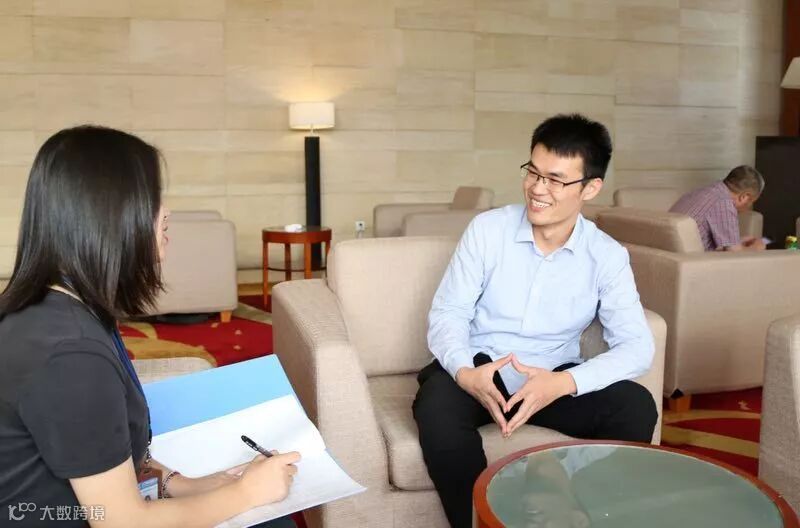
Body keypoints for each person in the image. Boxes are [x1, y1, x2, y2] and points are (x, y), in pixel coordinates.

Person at [0, 126, 300, 527]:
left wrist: (187, 485)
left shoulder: (60, 308)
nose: (166, 212)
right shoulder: (70, 354)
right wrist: (246, 492)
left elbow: (98, 451)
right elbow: (122, 522)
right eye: (152, 198)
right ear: (107, 213)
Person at [412, 114, 658, 528]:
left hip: (551, 378)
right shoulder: (487, 230)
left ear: (590, 188)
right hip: (482, 367)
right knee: (435, 405)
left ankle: (583, 517)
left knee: (635, 406)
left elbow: (637, 348)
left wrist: (562, 383)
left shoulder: (607, 255)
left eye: (556, 180)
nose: (538, 189)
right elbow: (449, 312)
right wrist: (465, 372)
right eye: (533, 172)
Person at [669, 165, 766, 251]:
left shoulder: (705, 192)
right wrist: (756, 248)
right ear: (744, 197)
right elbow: (734, 254)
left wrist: (737, 241)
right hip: (694, 262)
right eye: (752, 201)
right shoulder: (724, 202)